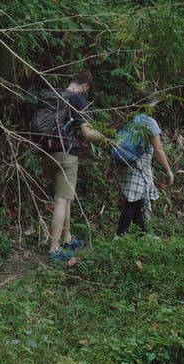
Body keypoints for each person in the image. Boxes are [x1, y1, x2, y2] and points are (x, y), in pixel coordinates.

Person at [42, 70, 102, 264]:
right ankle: (54, 249)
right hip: (66, 154)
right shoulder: (78, 101)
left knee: (66, 198)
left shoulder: (55, 95)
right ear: (86, 86)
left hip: (46, 152)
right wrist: (108, 137)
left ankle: (67, 239)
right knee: (61, 200)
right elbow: (88, 133)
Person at [105, 91, 174, 236]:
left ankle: (143, 234)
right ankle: (119, 236)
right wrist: (168, 170)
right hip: (138, 166)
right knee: (132, 201)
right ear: (148, 106)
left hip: (122, 163)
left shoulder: (127, 120)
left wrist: (110, 167)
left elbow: (115, 143)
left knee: (137, 200)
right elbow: (158, 149)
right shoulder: (148, 122)